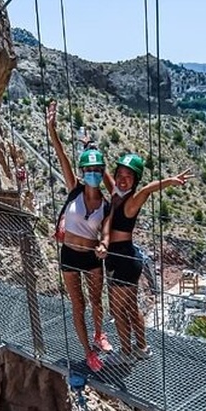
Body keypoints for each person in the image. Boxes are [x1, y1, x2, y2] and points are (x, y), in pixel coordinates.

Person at [104, 153, 193, 363]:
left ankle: (125, 353)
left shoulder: (131, 201)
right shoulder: (116, 194)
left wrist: (170, 181)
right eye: (120, 174)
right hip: (125, 258)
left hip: (123, 259)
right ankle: (142, 348)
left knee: (118, 309)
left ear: (135, 180)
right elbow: (106, 176)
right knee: (131, 307)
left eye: (129, 175)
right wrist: (90, 147)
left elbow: (147, 190)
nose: (123, 178)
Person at [46, 100, 113, 372]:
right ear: (83, 173)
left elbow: (106, 233)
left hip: (92, 258)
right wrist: (52, 130)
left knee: (97, 301)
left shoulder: (106, 205)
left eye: (97, 171)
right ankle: (88, 352)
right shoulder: (74, 189)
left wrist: (105, 245)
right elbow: (61, 155)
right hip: (70, 255)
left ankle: (99, 335)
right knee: (78, 304)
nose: (93, 175)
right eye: (89, 171)